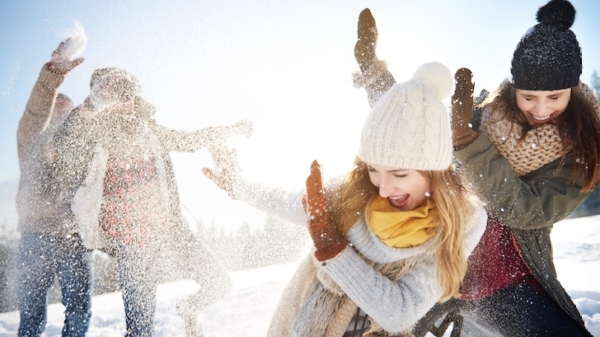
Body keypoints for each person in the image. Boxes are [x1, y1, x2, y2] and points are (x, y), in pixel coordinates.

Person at [353, 2, 598, 336]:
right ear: (514, 90)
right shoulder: (483, 115)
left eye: (554, 97)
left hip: (506, 282)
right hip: (439, 267)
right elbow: (414, 133)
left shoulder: (582, 149)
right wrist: (375, 76)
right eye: (528, 97)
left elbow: (526, 211)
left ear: (572, 89)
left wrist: (469, 146)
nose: (541, 109)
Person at [203, 61, 487, 336]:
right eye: (374, 170)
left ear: (433, 171)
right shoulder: (352, 193)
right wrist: (237, 186)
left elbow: (400, 311)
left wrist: (333, 251)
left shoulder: (462, 221)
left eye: (399, 174)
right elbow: (284, 201)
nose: (384, 189)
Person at [45, 67, 252, 337]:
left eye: (127, 91)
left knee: (219, 284)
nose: (123, 100)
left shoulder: (150, 129)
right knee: (140, 331)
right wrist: (90, 106)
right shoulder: (93, 136)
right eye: (114, 93)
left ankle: (189, 309)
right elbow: (62, 149)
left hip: (171, 231)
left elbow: (190, 139)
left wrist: (232, 129)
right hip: (132, 246)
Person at [15, 39, 91, 337]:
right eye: (56, 110)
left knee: (79, 310)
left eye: (67, 113)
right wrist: (52, 77)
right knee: (32, 316)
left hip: (74, 237)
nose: (61, 116)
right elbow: (37, 110)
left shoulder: (79, 147)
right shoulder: (33, 139)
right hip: (36, 235)